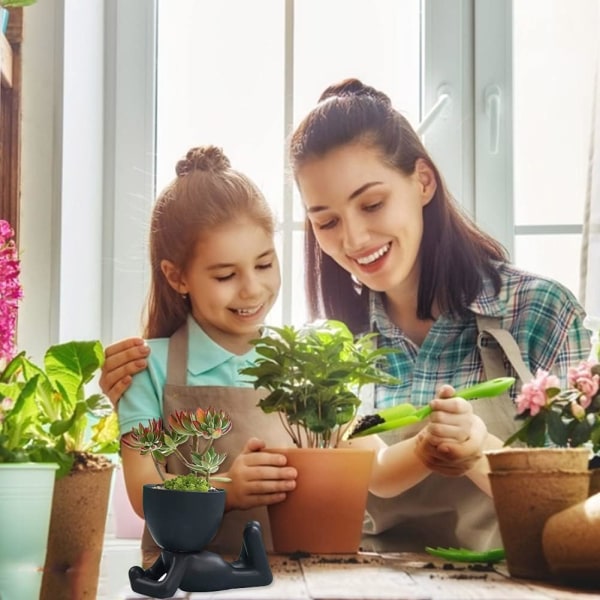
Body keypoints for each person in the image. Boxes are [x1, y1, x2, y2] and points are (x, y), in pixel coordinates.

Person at [102, 80, 592, 553]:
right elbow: (371, 471)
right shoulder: (329, 350)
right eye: (327, 221)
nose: (355, 239)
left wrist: (479, 450)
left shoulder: (538, 312)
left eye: (373, 203)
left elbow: (578, 508)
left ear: (423, 180)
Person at [116, 145, 297, 567]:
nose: (252, 289)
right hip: (180, 581)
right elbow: (145, 492)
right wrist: (226, 488)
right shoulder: (148, 369)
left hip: (293, 574)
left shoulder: (299, 366)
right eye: (226, 275)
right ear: (176, 276)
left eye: (265, 264)